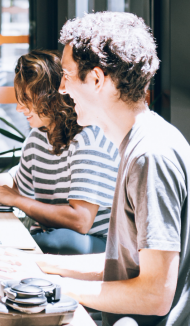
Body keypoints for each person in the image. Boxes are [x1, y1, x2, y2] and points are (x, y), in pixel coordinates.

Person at [27, 12, 190, 326]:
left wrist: (51, 287)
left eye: (67, 75)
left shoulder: (150, 155)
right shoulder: (139, 142)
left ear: (97, 79)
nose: (61, 88)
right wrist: (40, 265)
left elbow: (155, 295)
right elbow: (128, 265)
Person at [0, 50, 120, 255]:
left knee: (59, 241)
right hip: (53, 236)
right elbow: (15, 181)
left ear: (51, 98)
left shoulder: (88, 140)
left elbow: (81, 221)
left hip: (96, 244)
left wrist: (18, 201)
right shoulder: (38, 137)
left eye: (26, 100)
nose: (19, 108)